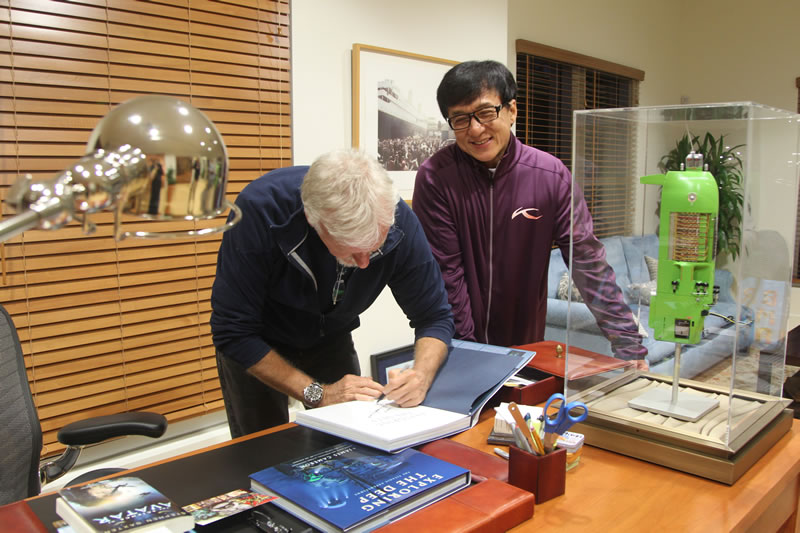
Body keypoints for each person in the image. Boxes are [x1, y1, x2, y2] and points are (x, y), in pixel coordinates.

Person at [412, 60, 647, 369]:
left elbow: (588, 263)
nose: (475, 129)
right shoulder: (436, 178)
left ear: (511, 110)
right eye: (460, 119)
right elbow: (446, 276)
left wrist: (628, 343)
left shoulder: (550, 176)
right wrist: (468, 357)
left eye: (485, 113)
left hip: (526, 349)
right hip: (457, 351)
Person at [211, 149, 454, 437]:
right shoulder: (261, 210)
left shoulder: (398, 221)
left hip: (331, 336)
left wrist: (421, 376)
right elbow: (233, 332)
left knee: (348, 439)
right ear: (316, 223)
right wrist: (317, 393)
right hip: (257, 342)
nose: (365, 263)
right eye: (353, 250)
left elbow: (435, 316)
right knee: (260, 449)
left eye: (375, 247)